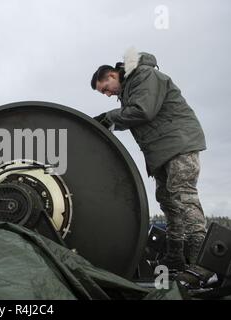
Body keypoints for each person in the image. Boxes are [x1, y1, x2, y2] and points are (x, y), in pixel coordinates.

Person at [90, 48, 210, 283]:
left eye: (105, 89)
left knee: (183, 197)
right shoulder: (128, 91)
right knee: (168, 201)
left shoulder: (145, 76)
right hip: (162, 153)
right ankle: (176, 257)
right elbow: (133, 113)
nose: (106, 94)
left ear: (113, 76)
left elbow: (143, 111)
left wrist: (110, 117)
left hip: (179, 144)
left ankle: (202, 263)